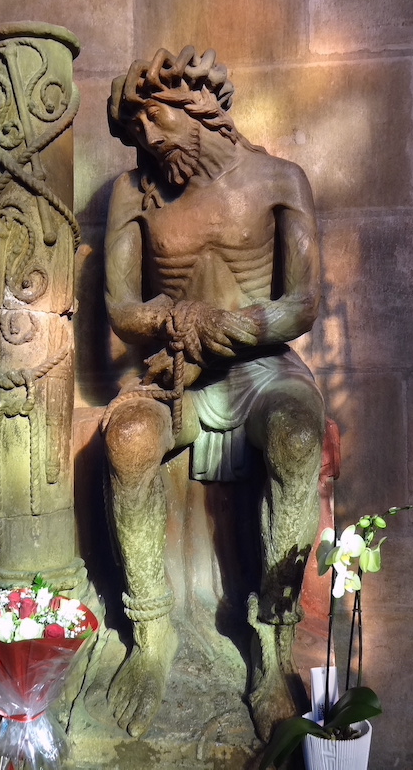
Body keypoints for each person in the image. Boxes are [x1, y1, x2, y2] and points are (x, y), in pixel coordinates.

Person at [101, 46, 325, 740]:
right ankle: (152, 635)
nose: (148, 144)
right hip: (176, 375)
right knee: (130, 439)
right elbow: (120, 308)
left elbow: (304, 303)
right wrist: (176, 321)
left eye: (152, 124)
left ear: (194, 109)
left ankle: (273, 649)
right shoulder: (133, 195)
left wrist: (225, 327)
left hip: (263, 370)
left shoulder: (281, 180)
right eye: (137, 134)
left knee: (295, 437)